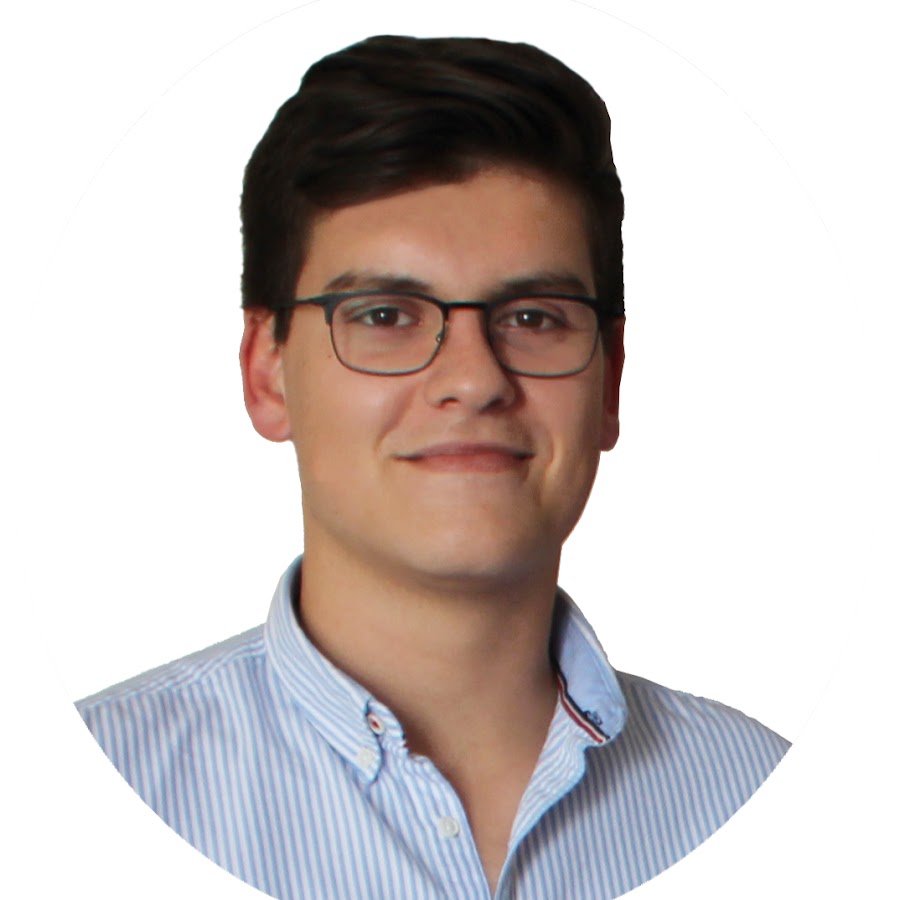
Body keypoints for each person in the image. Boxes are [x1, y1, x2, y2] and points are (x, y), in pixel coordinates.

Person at [76, 34, 789, 900]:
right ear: (267, 373)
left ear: (610, 382)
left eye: (534, 318)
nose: (474, 380)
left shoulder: (768, 798)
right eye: (385, 314)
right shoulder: (81, 799)